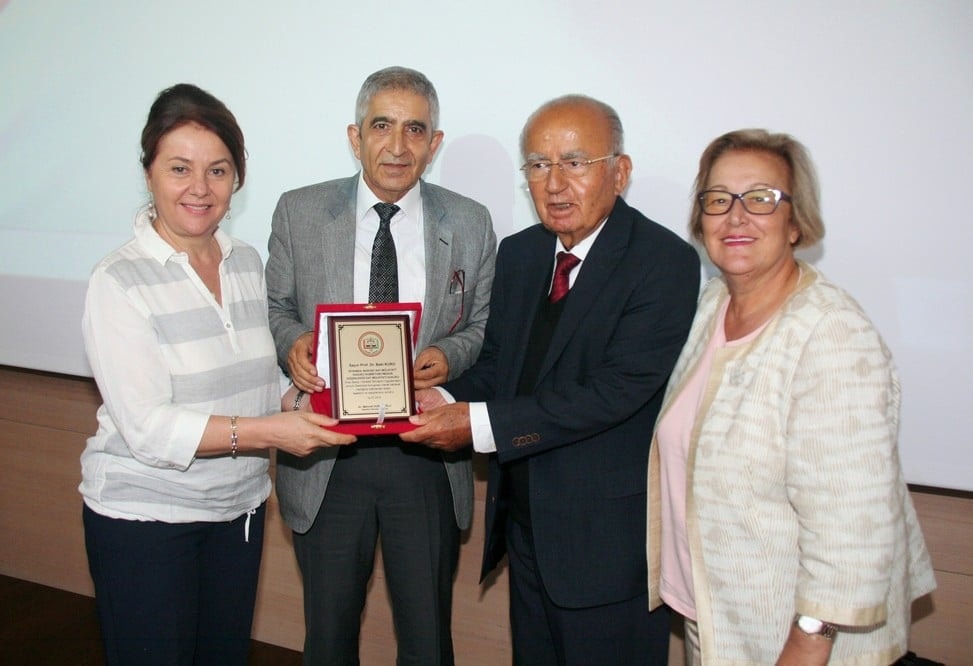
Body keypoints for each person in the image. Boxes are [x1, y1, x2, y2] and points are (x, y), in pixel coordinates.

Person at [401, 95, 700, 665]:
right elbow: (499, 366)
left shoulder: (663, 262)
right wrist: (436, 396)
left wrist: (477, 424)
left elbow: (616, 392)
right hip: (526, 530)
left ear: (620, 170)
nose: (555, 183)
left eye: (575, 163)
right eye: (538, 165)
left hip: (606, 542)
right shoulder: (521, 254)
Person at [80, 84, 355, 665]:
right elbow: (149, 430)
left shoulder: (247, 262)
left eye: (218, 170)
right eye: (180, 168)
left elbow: (253, 390)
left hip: (240, 511)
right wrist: (272, 435)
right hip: (148, 520)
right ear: (149, 172)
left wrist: (300, 405)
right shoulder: (118, 280)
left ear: (239, 178)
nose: (200, 188)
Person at [646, 129, 937, 664]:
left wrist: (809, 638)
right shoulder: (712, 305)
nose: (736, 217)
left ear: (797, 220)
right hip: (716, 621)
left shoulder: (832, 336)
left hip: (800, 640)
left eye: (761, 198)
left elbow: (853, 523)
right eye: (718, 200)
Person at [265, 66, 497, 665]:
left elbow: (480, 327)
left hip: (423, 454)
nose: (398, 145)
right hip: (325, 453)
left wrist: (449, 355)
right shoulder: (298, 212)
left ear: (435, 142)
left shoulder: (469, 223)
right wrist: (293, 342)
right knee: (329, 633)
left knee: (426, 637)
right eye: (382, 126)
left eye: (415, 129)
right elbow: (279, 306)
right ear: (355, 135)